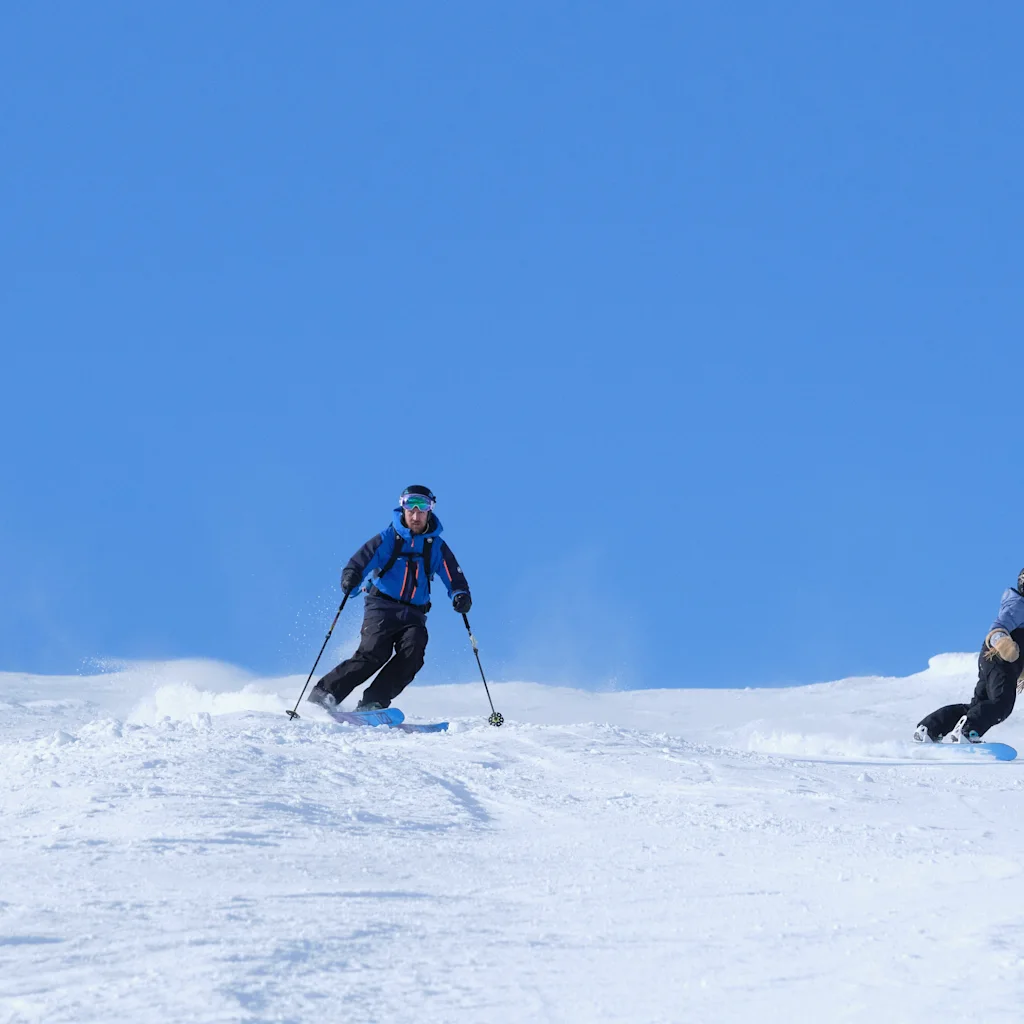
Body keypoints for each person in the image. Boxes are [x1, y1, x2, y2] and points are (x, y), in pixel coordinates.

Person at [307, 485, 471, 712]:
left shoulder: (436, 546)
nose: (415, 515)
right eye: (410, 509)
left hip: (414, 613)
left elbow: (453, 575)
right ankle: (324, 695)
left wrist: (460, 595)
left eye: (422, 510)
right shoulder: (388, 539)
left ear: (430, 511)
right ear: (402, 508)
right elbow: (359, 563)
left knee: (413, 652)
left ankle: (373, 702)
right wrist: (351, 580)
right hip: (381, 606)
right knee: (374, 652)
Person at [915, 570, 1024, 743]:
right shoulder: (1018, 605)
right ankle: (968, 731)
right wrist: (1005, 644)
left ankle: (930, 729)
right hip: (999, 659)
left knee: (977, 706)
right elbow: (998, 628)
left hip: (992, 661)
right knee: (1001, 704)